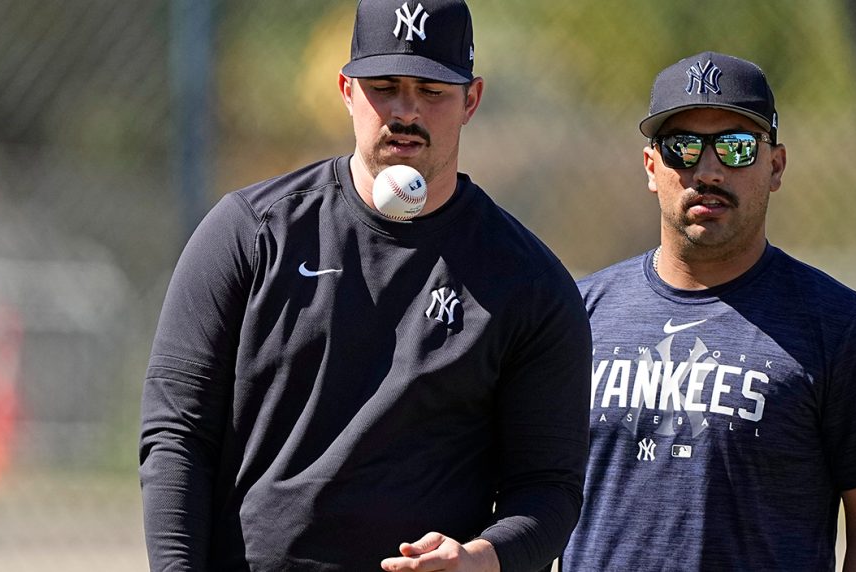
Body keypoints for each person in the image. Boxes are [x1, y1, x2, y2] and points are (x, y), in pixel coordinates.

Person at [138, 1, 592, 571]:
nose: (405, 111)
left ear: (471, 100)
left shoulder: (530, 283)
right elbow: (177, 434)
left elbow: (548, 487)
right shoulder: (251, 233)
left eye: (432, 90)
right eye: (384, 86)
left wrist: (481, 560)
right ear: (347, 89)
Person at [562, 52, 856, 571]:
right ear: (651, 167)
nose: (707, 171)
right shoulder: (578, 314)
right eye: (682, 147)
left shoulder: (844, 329)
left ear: (774, 166)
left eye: (736, 147)